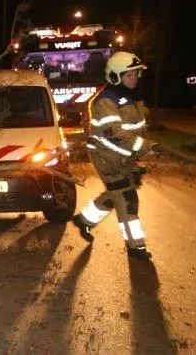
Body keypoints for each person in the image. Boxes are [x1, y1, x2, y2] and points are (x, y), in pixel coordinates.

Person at [71, 51, 160, 260]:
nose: (135, 78)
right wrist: (146, 146)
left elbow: (135, 129)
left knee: (115, 196)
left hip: (123, 157)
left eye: (136, 74)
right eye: (130, 75)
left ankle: (84, 220)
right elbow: (116, 135)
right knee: (127, 199)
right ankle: (135, 246)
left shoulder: (131, 97)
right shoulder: (105, 102)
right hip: (107, 159)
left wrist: (139, 154)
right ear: (115, 76)